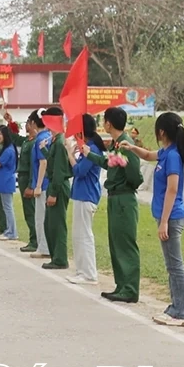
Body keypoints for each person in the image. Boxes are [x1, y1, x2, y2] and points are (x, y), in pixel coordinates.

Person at [120, 112, 184, 327]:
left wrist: (163, 222)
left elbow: (172, 189)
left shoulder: (173, 157)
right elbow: (150, 155)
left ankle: (181, 311)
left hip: (171, 217)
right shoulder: (166, 152)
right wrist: (132, 148)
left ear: (161, 131)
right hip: (165, 216)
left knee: (175, 265)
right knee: (171, 265)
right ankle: (176, 306)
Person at [83, 107, 143, 303]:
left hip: (124, 198)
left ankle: (130, 288)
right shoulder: (117, 144)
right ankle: (122, 285)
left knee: (125, 243)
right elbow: (108, 162)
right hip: (115, 197)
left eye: (104, 120)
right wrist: (88, 153)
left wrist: (127, 185)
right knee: (116, 242)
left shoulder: (126, 144)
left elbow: (135, 175)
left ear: (109, 123)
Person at [67, 114, 104, 285]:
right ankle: (82, 271)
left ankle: (89, 274)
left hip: (87, 195)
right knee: (78, 235)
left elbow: (80, 171)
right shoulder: (86, 147)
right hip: (80, 194)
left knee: (85, 235)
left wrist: (70, 154)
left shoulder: (92, 149)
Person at [37, 108, 71, 270]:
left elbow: (58, 170)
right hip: (54, 183)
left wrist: (53, 193)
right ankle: (55, 256)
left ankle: (60, 258)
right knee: (50, 224)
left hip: (58, 184)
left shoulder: (59, 143)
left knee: (57, 224)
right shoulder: (55, 141)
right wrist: (44, 148)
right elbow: (52, 161)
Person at [5, 113, 38, 253]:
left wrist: (31, 185)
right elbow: (14, 137)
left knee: (31, 211)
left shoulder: (34, 143)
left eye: (28, 123)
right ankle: (33, 239)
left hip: (28, 178)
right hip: (23, 177)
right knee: (27, 211)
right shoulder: (26, 141)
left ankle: (35, 240)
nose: (26, 126)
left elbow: (33, 166)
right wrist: (10, 122)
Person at [27, 111, 51, 259]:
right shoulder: (48, 136)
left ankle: (44, 247)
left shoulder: (39, 139)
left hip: (43, 183)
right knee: (44, 216)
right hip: (47, 183)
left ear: (35, 123)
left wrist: (38, 185)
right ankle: (45, 246)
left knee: (40, 217)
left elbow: (43, 162)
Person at [0, 125, 19, 241]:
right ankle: (9, 229)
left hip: (6, 181)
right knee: (6, 207)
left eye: (0, 134)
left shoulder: (9, 150)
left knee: (8, 207)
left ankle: (12, 232)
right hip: (3, 180)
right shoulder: (7, 149)